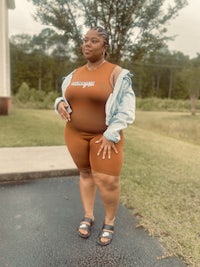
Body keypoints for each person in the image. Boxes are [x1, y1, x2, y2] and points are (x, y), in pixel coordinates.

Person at [54, 26, 135, 246]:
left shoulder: (117, 74)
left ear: (105, 46)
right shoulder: (74, 74)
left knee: (107, 180)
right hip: (74, 134)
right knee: (86, 173)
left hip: (105, 136)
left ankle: (110, 221)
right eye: (85, 40)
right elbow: (65, 97)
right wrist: (59, 103)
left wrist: (111, 133)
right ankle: (88, 215)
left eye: (94, 41)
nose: (87, 44)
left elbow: (127, 109)